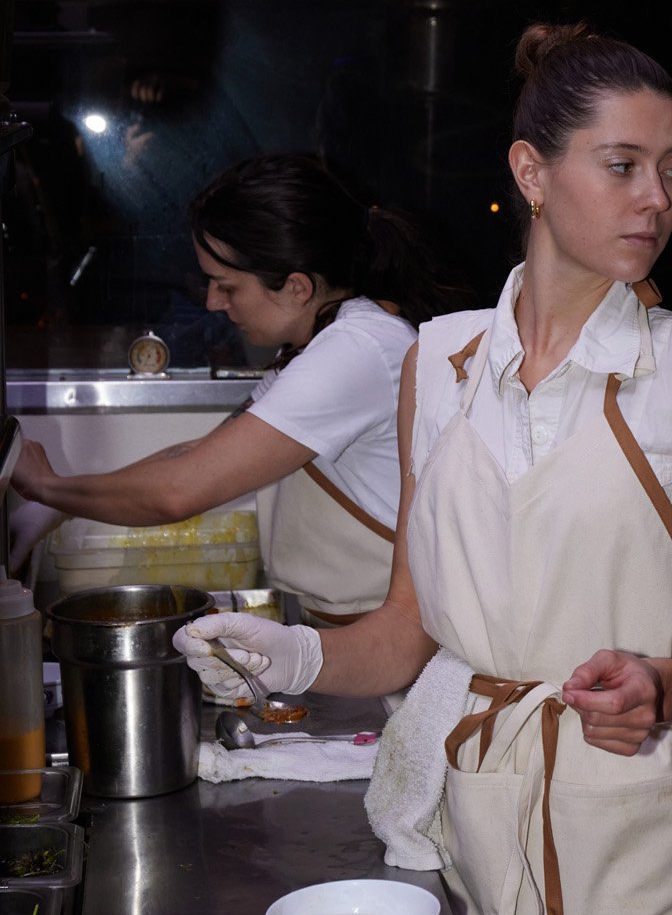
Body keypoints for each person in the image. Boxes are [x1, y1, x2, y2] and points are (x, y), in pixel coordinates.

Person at [172, 25, 672, 915]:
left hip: (629, 865)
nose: (658, 200)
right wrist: (288, 658)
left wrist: (663, 685)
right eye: (624, 167)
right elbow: (410, 631)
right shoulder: (443, 361)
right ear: (531, 173)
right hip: (460, 848)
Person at [11, 152, 467, 624]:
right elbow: (199, 457)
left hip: (395, 641)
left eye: (225, 286)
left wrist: (49, 488)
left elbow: (178, 492)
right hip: (349, 625)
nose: (212, 302)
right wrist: (55, 506)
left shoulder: (357, 351)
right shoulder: (316, 345)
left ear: (296, 287)